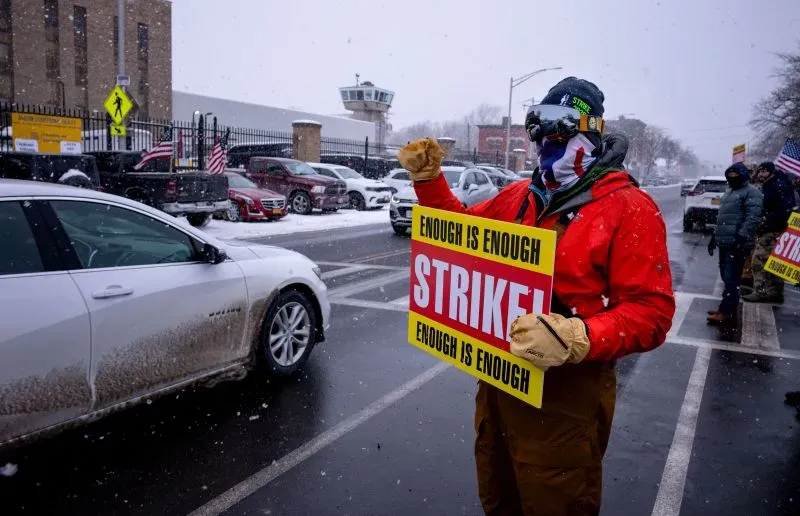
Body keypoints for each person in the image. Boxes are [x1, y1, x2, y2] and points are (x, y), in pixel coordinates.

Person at [397, 77, 675, 515]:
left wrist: (576, 335)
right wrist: (429, 182)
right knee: (498, 492)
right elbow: (460, 235)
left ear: (591, 132)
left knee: (555, 501)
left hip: (566, 392)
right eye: (539, 126)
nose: (547, 139)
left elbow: (652, 312)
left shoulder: (629, 207)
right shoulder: (519, 196)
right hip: (500, 377)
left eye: (561, 127)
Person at [707, 163, 763, 324]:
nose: (732, 178)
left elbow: (753, 217)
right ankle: (725, 307)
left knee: (732, 278)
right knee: (726, 276)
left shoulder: (752, 192)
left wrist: (742, 237)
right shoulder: (730, 192)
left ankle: (727, 312)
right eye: (729, 175)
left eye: (735, 175)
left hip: (737, 243)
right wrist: (714, 236)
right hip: (724, 241)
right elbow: (722, 218)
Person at [742, 162, 795, 303]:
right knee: (774, 262)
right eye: (759, 171)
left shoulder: (778, 186)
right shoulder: (775, 184)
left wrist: (765, 220)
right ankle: (775, 292)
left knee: (759, 261)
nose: (760, 174)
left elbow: (783, 210)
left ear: (770, 172)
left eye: (763, 171)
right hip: (776, 229)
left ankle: (761, 292)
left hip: (773, 230)